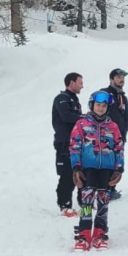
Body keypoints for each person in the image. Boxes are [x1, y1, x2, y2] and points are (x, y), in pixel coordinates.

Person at [68, 90, 124, 250]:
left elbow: (119, 147)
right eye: (98, 105)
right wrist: (76, 167)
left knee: (103, 202)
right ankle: (84, 234)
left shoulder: (112, 126)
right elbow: (74, 145)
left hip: (107, 169)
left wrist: (119, 168)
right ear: (92, 105)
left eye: (104, 106)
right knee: (86, 202)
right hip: (88, 169)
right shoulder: (82, 124)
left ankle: (100, 233)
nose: (101, 108)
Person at [52, 72, 85, 215]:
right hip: (64, 142)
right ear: (71, 83)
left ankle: (84, 204)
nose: (82, 86)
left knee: (82, 173)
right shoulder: (62, 98)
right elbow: (66, 116)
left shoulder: (74, 99)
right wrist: (85, 117)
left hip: (77, 143)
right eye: (80, 83)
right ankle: (64, 206)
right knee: (67, 175)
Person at [102, 68, 128, 199]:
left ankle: (111, 189)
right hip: (105, 136)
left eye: (123, 78)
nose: (121, 80)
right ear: (111, 79)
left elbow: (126, 117)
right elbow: (98, 112)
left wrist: (123, 132)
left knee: (117, 164)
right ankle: (103, 189)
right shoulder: (105, 93)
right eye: (119, 77)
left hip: (119, 137)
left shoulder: (122, 97)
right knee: (105, 163)